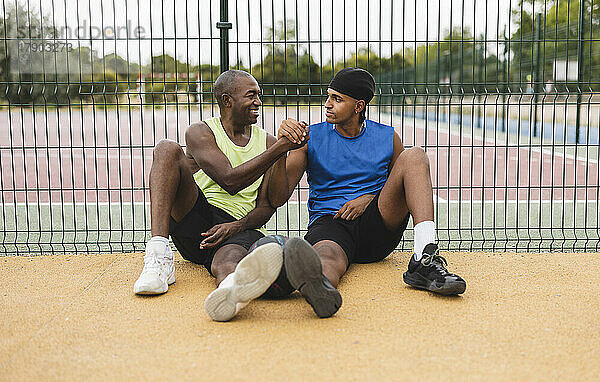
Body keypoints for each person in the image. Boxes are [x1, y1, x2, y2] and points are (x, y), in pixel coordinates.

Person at [268, 67, 466, 316]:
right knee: (326, 257)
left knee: (414, 156)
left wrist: (370, 198)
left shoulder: (386, 136)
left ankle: (424, 259)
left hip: (378, 224)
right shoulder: (310, 137)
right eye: (328, 96)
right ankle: (320, 290)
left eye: (337, 99)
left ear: (358, 106)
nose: (327, 104)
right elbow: (278, 196)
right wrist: (281, 147)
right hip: (332, 222)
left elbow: (402, 184)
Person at [133, 70, 308, 321]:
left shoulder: (267, 143)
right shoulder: (201, 132)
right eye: (251, 96)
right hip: (197, 220)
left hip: (238, 228)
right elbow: (229, 180)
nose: (258, 102)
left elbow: (271, 204)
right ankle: (159, 256)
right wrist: (281, 147)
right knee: (166, 148)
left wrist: (236, 226)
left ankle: (230, 296)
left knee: (228, 263)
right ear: (228, 101)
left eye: (259, 95)